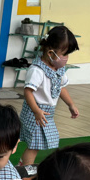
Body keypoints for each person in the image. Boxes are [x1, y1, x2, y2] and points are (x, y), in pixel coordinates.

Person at [19, 26, 80, 168]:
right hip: (35, 113)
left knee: (40, 143)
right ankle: (25, 169)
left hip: (47, 113)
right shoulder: (37, 70)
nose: (66, 58)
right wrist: (36, 111)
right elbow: (28, 92)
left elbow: (61, 87)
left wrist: (71, 104)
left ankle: (24, 166)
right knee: (34, 145)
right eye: (64, 54)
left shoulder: (59, 70)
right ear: (51, 53)